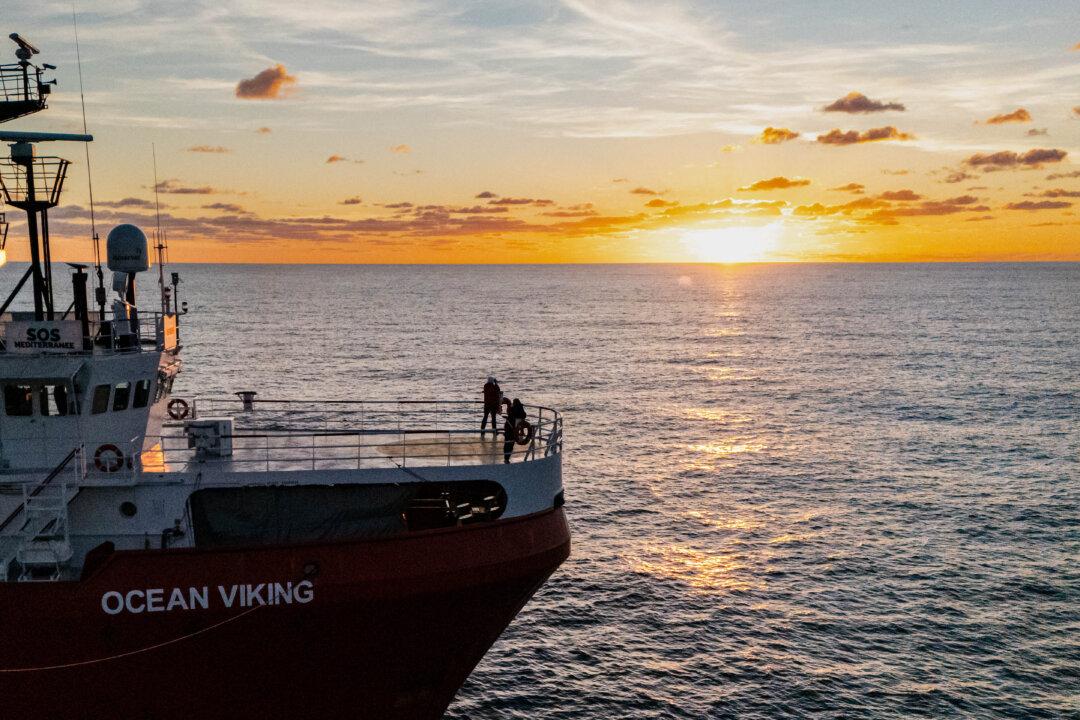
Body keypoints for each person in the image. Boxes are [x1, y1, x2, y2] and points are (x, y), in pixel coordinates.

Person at [503, 398, 527, 464]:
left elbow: (508, 415)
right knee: (511, 444)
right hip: (515, 432)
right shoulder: (522, 413)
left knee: (507, 443)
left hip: (509, 430)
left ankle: (506, 458)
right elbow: (523, 421)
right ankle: (507, 458)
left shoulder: (512, 411)